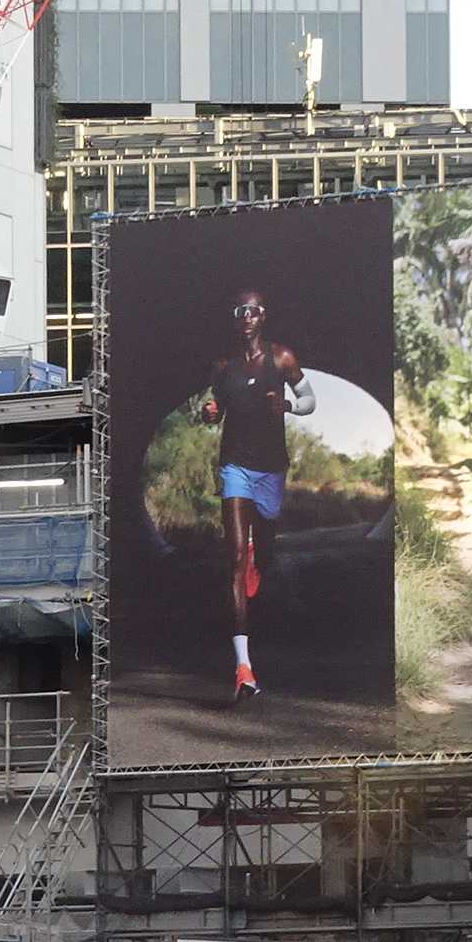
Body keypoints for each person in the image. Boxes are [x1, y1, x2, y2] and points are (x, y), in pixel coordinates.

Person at [198, 285, 317, 701]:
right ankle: (243, 667)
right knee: (232, 560)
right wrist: (209, 413)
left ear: (263, 316)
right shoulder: (223, 365)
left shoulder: (282, 358)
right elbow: (213, 411)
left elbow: (309, 400)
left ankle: (257, 557)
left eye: (253, 310)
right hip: (235, 466)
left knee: (262, 552)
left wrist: (286, 408)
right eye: (240, 311)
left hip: (271, 469)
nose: (246, 316)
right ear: (235, 318)